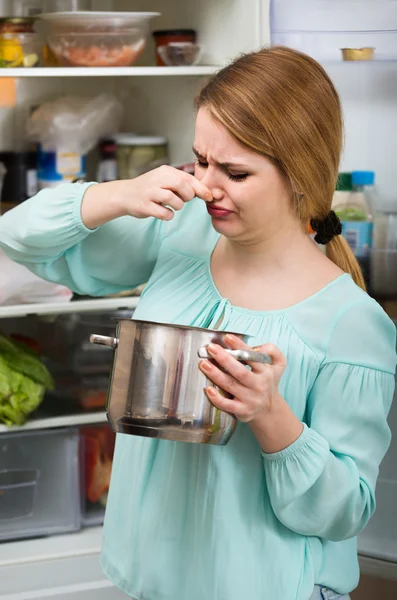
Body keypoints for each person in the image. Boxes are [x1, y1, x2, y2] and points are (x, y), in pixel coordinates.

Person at [0, 46, 395, 600]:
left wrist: (271, 416)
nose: (207, 186)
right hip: (151, 578)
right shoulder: (181, 234)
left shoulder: (352, 325)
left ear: (302, 174)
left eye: (235, 172)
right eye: (200, 161)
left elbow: (345, 511)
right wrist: (118, 194)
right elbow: (17, 236)